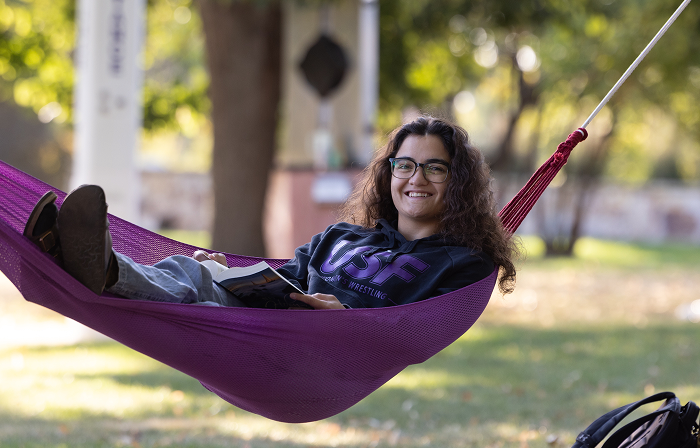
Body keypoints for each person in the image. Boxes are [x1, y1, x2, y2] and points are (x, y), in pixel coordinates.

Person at [24, 117, 516, 309]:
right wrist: (231, 272)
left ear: (458, 183)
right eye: (405, 164)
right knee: (195, 273)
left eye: (435, 168)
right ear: (388, 172)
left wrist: (345, 315)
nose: (416, 179)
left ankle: (93, 265)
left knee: (195, 287)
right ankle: (82, 261)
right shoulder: (341, 236)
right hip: (266, 318)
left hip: (315, 351)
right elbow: (286, 276)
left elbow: (418, 327)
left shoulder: (461, 262)